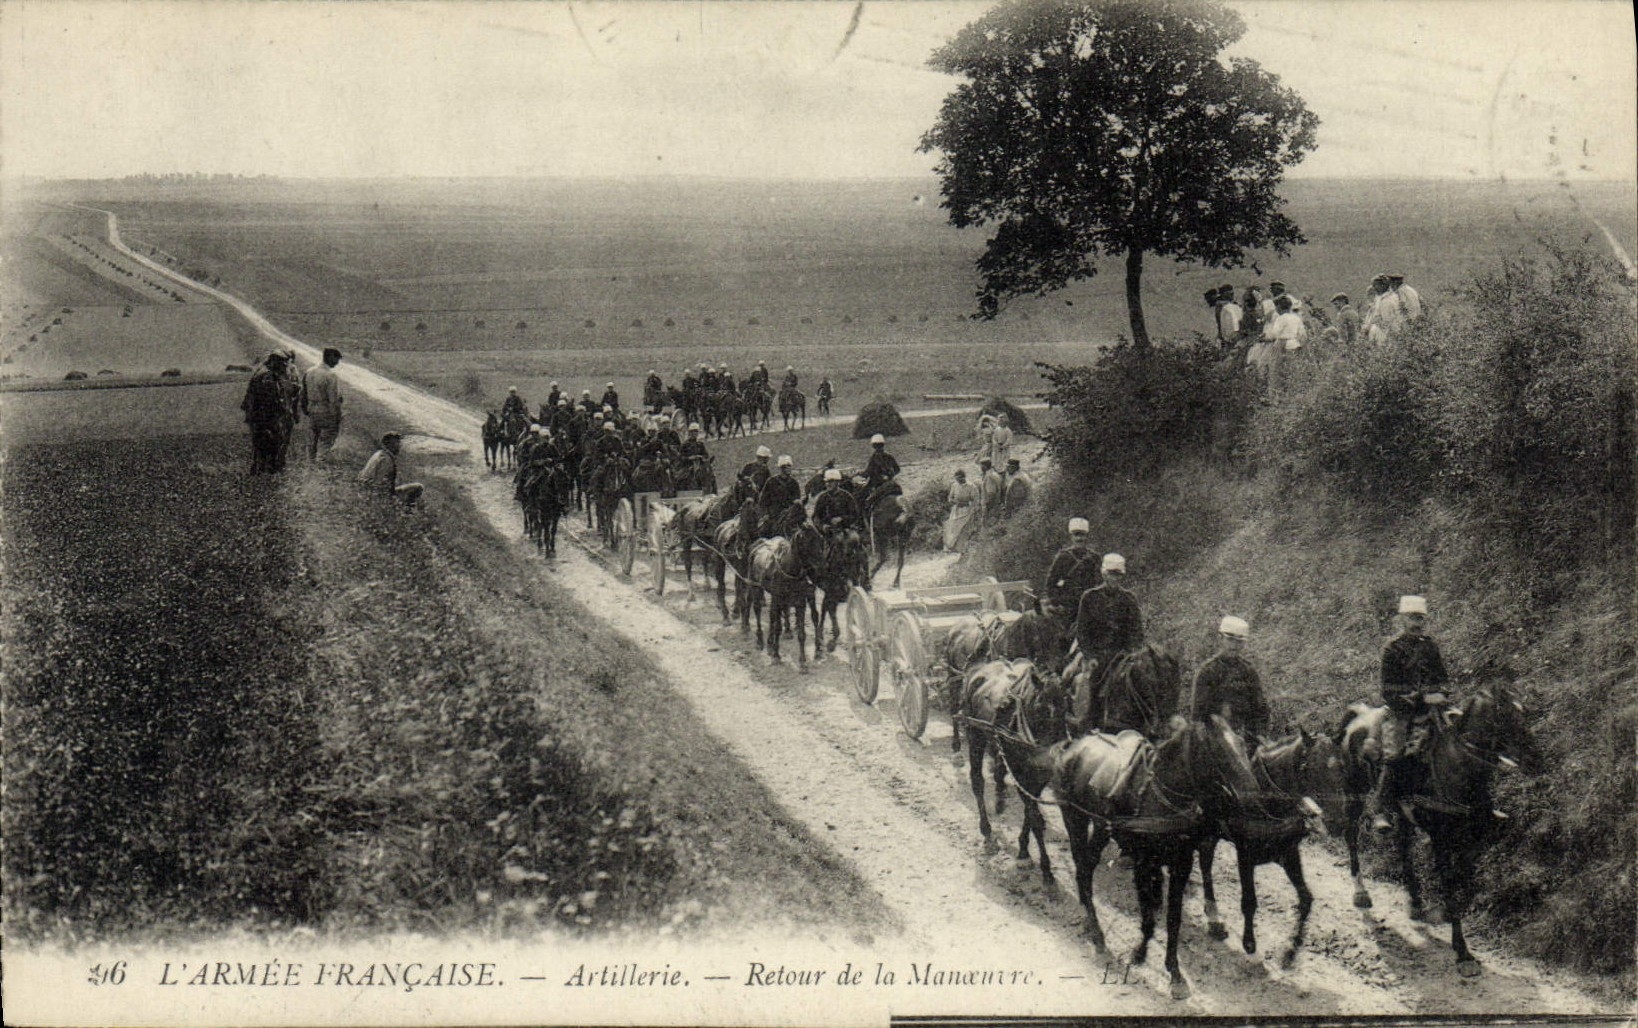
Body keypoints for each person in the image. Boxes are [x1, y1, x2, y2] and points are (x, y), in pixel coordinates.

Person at [1368, 595, 1450, 832]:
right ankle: (1381, 810)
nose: (1417, 623)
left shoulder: (1430, 646)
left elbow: (1443, 678)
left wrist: (1441, 693)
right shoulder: (1392, 649)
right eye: (1413, 618)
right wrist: (1418, 696)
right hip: (1402, 712)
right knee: (1394, 755)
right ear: (1402, 620)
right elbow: (1388, 689)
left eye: (1420, 618)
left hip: (1434, 710)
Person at [1070, 553, 1144, 725]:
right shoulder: (1090, 597)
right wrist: (1090, 656)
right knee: (1096, 680)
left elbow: (1136, 630)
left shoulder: (1128, 599)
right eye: (1111, 574)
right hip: (1098, 653)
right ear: (1104, 574)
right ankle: (1091, 719)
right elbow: (1082, 631)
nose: (1114, 579)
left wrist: (1133, 652)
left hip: (1123, 654)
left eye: (1118, 575)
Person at [1190, 616, 1271, 741]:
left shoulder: (1249, 672)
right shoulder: (1207, 671)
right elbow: (1198, 717)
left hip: (1247, 739)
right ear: (1220, 639)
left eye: (1239, 642)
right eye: (1230, 640)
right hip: (1216, 740)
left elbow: (1260, 709)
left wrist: (1261, 735)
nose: (1234, 646)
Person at [242, 351, 294, 474]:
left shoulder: (262, 371)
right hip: (264, 417)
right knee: (270, 443)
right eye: (282, 364)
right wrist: (282, 410)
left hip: (257, 415)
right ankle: (267, 473)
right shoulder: (268, 376)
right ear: (274, 362)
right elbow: (270, 400)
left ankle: (259, 471)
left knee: (260, 445)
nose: (284, 367)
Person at [1042, 518, 1100, 623]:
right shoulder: (1063, 557)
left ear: (1087, 536)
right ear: (1071, 537)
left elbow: (1100, 582)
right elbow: (1051, 583)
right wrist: (1056, 602)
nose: (1079, 538)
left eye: (1082, 535)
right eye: (1076, 535)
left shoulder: (1094, 558)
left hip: (1088, 605)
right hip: (1067, 606)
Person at [301, 347, 344, 461]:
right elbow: (333, 400)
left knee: (312, 439)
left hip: (312, 410)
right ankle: (320, 462)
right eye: (336, 359)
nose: (337, 363)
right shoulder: (330, 375)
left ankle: (310, 463)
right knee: (326, 440)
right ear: (330, 357)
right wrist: (337, 416)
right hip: (325, 411)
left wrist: (305, 409)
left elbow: (303, 394)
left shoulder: (309, 372)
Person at [358, 431, 423, 507]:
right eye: (395, 444)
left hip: (364, 492)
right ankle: (405, 512)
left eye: (398, 443)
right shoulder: (386, 459)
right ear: (388, 444)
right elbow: (379, 483)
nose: (398, 446)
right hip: (375, 496)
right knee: (418, 487)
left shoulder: (379, 454)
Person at [758, 455, 803, 534]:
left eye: (790, 466)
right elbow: (763, 500)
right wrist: (765, 514)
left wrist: (797, 502)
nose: (789, 469)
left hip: (790, 514)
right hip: (774, 515)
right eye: (787, 466)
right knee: (764, 533)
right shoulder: (771, 482)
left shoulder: (794, 483)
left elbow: (797, 497)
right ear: (782, 468)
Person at [812, 468, 861, 535]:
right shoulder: (822, 497)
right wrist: (822, 526)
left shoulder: (847, 496)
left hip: (845, 529)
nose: (828, 484)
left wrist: (842, 519)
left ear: (838, 483)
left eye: (831, 482)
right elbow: (816, 517)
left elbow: (855, 515)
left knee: (854, 539)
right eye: (827, 482)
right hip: (827, 531)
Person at [943, 469, 979, 552]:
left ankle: (963, 549)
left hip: (967, 511)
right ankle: (952, 547)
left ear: (964, 477)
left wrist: (966, 504)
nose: (958, 480)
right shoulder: (954, 486)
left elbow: (976, 500)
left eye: (959, 478)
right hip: (956, 510)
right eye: (956, 479)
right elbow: (950, 497)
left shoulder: (971, 486)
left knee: (964, 529)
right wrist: (953, 502)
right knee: (953, 528)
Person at [863, 433, 900, 511]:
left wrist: (860, 473)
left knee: (865, 500)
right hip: (890, 482)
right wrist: (890, 476)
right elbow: (897, 469)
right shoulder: (889, 456)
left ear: (873, 446)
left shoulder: (873, 458)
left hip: (877, 484)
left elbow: (868, 473)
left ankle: (865, 518)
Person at [1215, 284, 1242, 349]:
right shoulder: (1221, 305)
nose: (1232, 295)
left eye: (1232, 294)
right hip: (1227, 331)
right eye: (1230, 294)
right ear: (1224, 295)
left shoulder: (1231, 303)